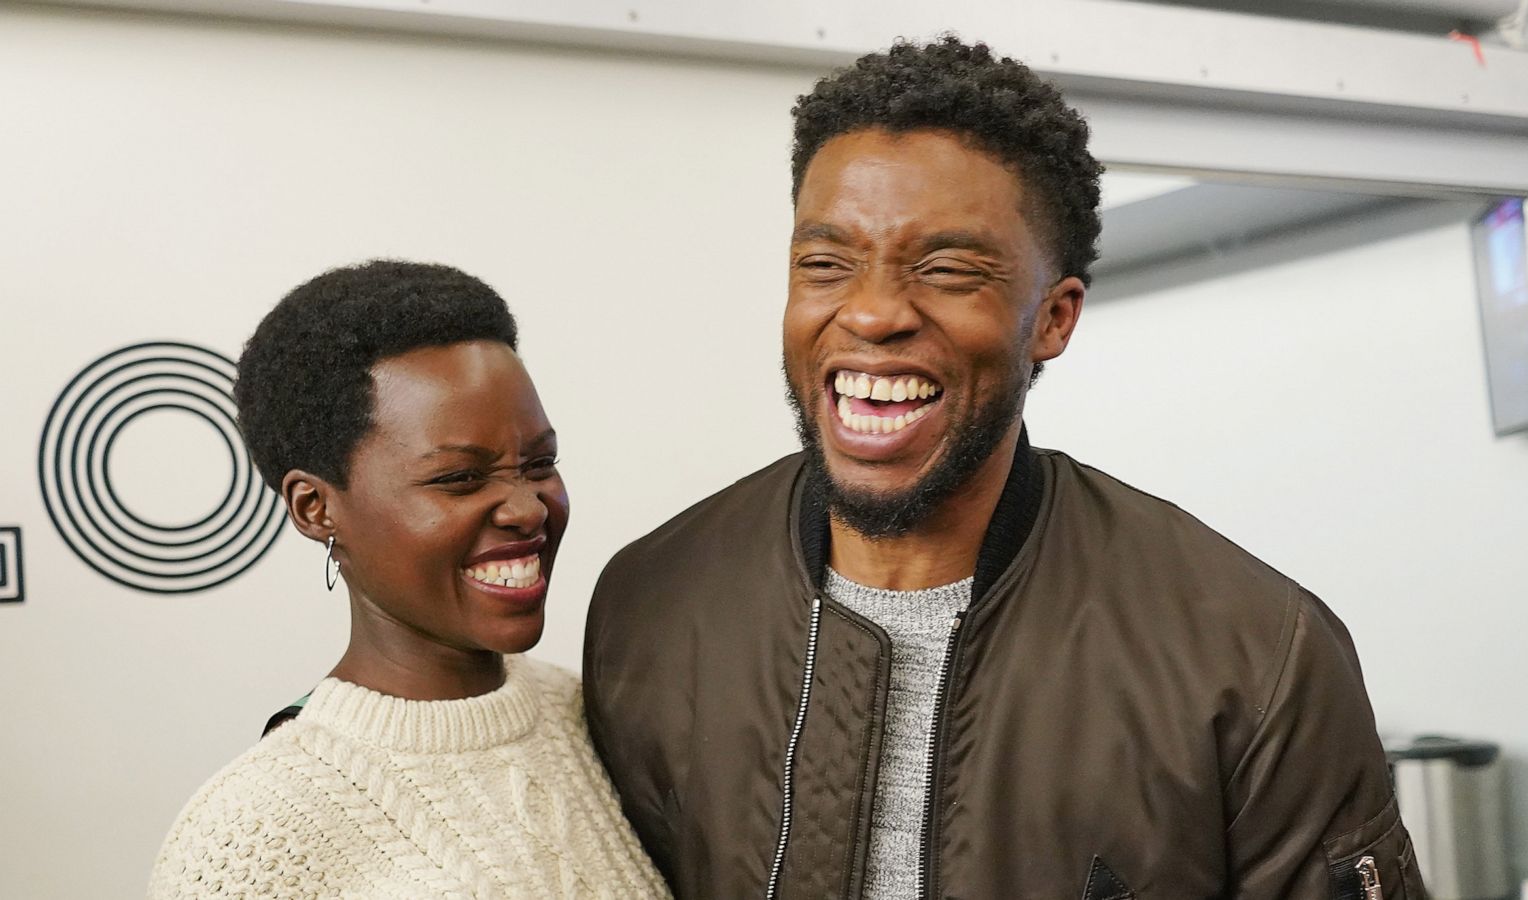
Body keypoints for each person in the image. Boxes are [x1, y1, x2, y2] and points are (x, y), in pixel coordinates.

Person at [584, 38, 1425, 899]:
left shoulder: (1256, 651)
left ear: (1053, 319)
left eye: (946, 269)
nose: (871, 313)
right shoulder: (652, 607)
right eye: (825, 264)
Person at [149, 261, 668, 899]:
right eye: (459, 478)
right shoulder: (254, 834)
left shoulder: (591, 714)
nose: (527, 508)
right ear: (316, 506)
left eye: (539, 464)